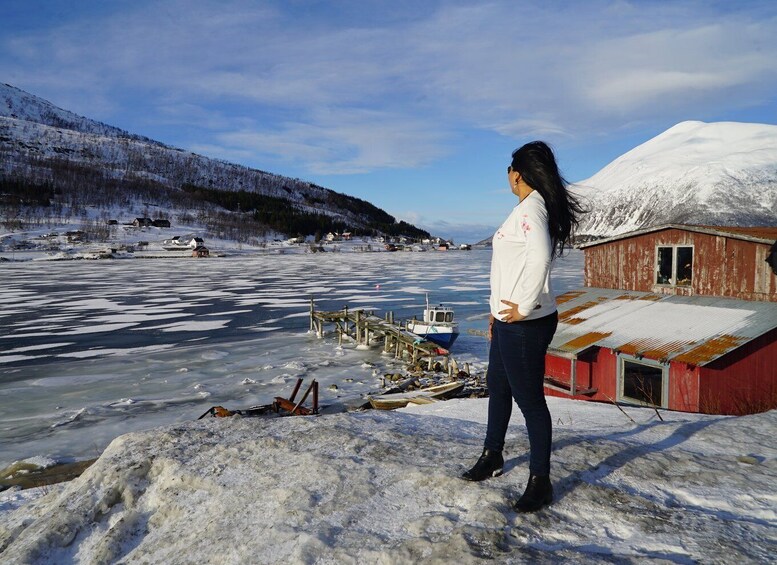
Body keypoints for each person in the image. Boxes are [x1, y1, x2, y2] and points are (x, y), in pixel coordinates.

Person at [462, 141, 584, 513]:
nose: (508, 176)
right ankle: (492, 455)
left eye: (508, 170)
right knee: (497, 386)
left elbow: (540, 256)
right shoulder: (526, 209)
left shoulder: (532, 210)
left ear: (517, 174)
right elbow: (513, 266)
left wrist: (525, 304)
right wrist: (497, 309)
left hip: (525, 323)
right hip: (507, 320)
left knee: (529, 399)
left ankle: (540, 482)